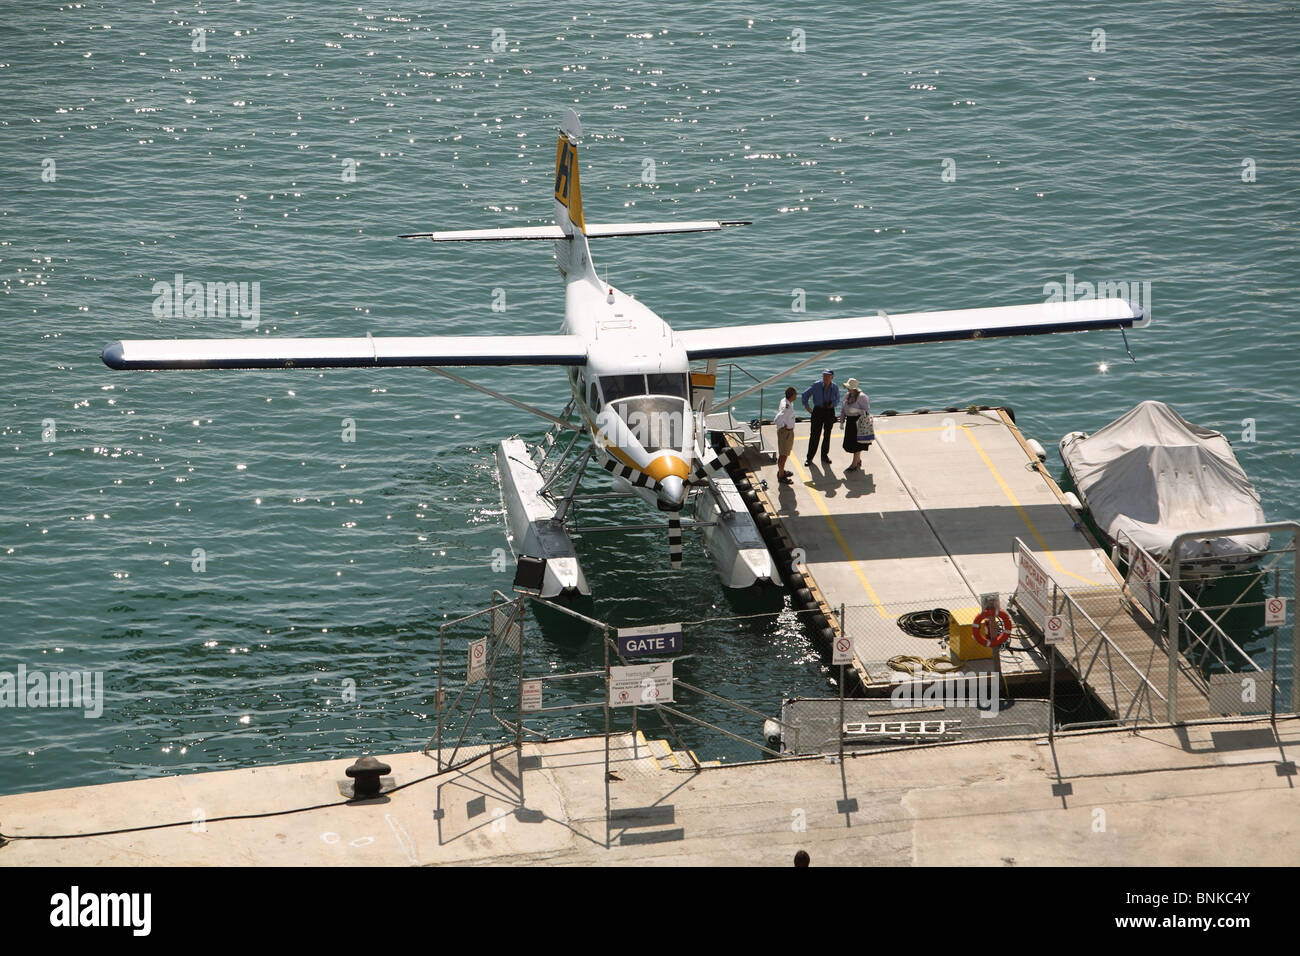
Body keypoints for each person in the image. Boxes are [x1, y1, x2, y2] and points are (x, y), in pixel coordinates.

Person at [801, 369, 839, 465]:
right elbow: (805, 395)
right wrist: (808, 408)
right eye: (824, 376)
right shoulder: (816, 385)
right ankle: (809, 458)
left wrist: (832, 404)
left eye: (828, 376)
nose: (825, 378)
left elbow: (838, 399)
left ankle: (824, 455)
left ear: (832, 377)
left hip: (830, 411)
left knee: (827, 434)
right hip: (818, 410)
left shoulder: (834, 387)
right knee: (814, 435)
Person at [838, 377, 872, 472]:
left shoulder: (862, 397)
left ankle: (854, 464)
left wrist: (857, 411)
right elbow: (842, 410)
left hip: (858, 421)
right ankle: (858, 460)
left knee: (857, 444)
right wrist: (841, 422)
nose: (848, 389)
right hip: (850, 422)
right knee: (851, 443)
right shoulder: (847, 396)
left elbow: (866, 412)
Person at [772, 386, 798, 484]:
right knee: (783, 455)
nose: (796, 396)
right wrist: (783, 426)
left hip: (788, 433)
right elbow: (777, 419)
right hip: (785, 434)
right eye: (795, 394)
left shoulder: (786, 401)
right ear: (792, 396)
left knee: (785, 453)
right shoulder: (786, 407)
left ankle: (782, 471)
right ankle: (781, 475)